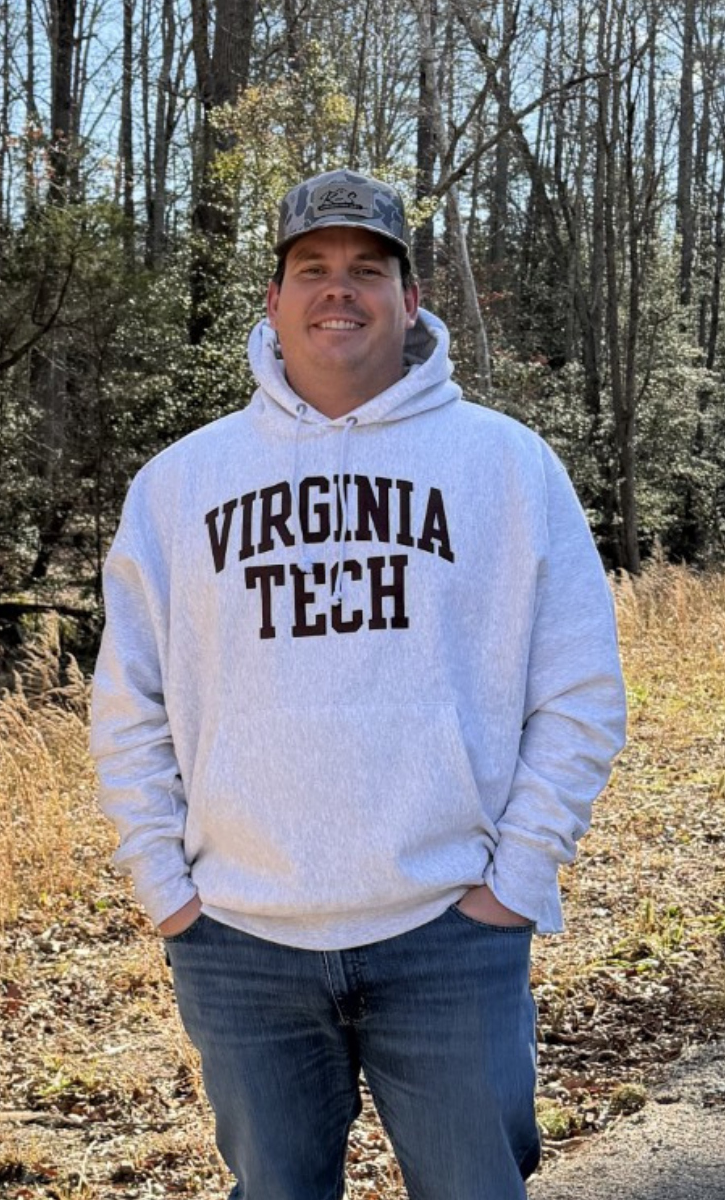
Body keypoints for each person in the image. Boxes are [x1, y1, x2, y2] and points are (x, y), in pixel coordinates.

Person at [89, 168, 627, 1200]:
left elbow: (581, 690)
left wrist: (514, 883)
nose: (340, 289)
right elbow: (129, 705)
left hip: (448, 935)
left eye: (368, 269)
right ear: (274, 302)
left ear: (411, 299)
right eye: (313, 269)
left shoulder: (506, 469)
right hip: (241, 943)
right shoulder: (180, 484)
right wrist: (168, 892)